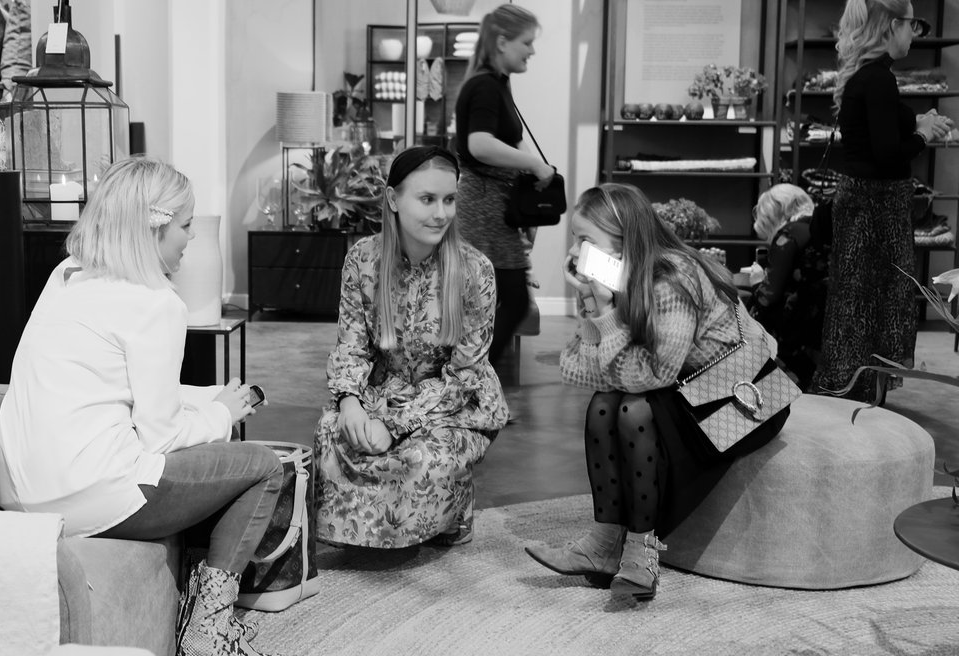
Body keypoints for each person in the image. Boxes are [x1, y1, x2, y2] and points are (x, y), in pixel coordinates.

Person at [0, 155, 289, 656]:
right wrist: (223, 415)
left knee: (210, 436)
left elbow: (117, 388)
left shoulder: (66, 278)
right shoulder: (156, 304)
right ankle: (209, 632)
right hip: (92, 495)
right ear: (154, 227)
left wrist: (208, 400)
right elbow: (161, 436)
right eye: (186, 225)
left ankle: (201, 619)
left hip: (19, 494)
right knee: (263, 466)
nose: (191, 238)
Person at [524, 183, 790, 603]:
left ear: (623, 240)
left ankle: (640, 549)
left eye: (584, 239)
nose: (573, 252)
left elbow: (652, 374)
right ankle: (603, 543)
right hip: (689, 390)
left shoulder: (672, 279)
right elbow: (575, 368)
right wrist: (596, 306)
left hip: (742, 399)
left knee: (633, 409)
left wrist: (607, 319)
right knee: (604, 405)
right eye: (575, 238)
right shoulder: (615, 279)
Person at [313, 146, 509, 549]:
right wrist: (350, 403)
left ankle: (452, 512)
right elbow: (351, 345)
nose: (441, 213)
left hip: (452, 405)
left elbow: (464, 379)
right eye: (427, 199)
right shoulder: (362, 260)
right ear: (392, 199)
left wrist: (392, 426)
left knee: (422, 459)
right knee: (332, 435)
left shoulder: (476, 272)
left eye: (449, 199)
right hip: (383, 391)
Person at [811, 0, 952, 403]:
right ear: (891, 26)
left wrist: (918, 122)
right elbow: (888, 153)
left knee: (859, 301)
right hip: (875, 208)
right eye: (912, 24)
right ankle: (853, 392)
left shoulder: (870, 76)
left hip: (866, 205)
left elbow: (883, 128)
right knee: (872, 303)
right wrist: (923, 136)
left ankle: (849, 389)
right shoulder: (878, 80)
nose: (914, 34)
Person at [454, 4, 556, 373]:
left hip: (492, 208)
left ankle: (473, 379)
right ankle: (474, 380)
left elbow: (508, 141)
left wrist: (531, 175)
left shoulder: (495, 83)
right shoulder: (485, 85)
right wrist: (533, 165)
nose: (532, 50)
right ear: (501, 42)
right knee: (510, 300)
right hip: (483, 209)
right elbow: (479, 144)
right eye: (527, 42)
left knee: (499, 300)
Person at [747, 183, 831, 388]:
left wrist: (756, 282)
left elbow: (769, 296)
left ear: (774, 214)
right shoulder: (822, 227)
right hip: (823, 324)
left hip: (793, 330)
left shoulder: (789, 234)